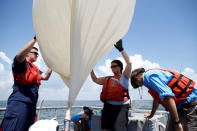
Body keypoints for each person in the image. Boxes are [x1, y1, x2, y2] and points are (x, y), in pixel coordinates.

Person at [1, 36, 52, 131]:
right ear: (27, 54)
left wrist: (52, 65)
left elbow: (45, 77)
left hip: (31, 105)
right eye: (35, 53)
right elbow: (20, 56)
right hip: (20, 104)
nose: (37, 55)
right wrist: (35, 39)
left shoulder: (35, 69)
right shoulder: (21, 64)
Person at [130, 68, 197, 131]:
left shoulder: (149, 77)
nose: (141, 85)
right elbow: (156, 99)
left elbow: (168, 96)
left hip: (188, 107)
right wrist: (151, 114)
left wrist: (177, 123)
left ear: (136, 78)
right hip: (178, 108)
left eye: (139, 84)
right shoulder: (151, 77)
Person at [90, 39, 131, 131]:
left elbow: (129, 63)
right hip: (108, 106)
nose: (112, 68)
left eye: (115, 66)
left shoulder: (124, 77)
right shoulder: (107, 79)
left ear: (120, 67)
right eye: (111, 66)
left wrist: (121, 50)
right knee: (105, 129)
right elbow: (95, 79)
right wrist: (90, 68)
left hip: (121, 107)